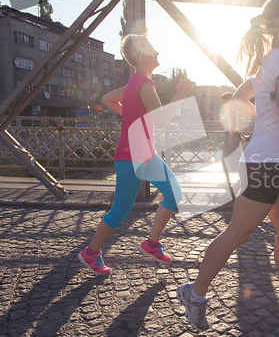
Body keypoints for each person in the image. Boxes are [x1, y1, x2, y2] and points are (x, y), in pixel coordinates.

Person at [176, 0, 279, 331]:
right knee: (238, 232)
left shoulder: (269, 61)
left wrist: (263, 114)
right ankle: (194, 294)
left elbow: (241, 100)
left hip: (272, 163)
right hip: (264, 165)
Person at [78, 34, 193, 275]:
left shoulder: (134, 82)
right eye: (152, 49)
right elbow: (161, 120)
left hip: (146, 154)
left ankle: (151, 244)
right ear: (140, 56)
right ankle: (91, 253)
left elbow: (107, 99)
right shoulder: (144, 84)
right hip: (131, 157)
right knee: (121, 209)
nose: (157, 52)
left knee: (174, 193)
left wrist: (131, 118)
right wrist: (182, 94)